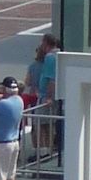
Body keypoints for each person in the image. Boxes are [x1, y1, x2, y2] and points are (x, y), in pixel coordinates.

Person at [28, 31, 61, 166]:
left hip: (45, 96)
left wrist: (48, 96)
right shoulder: (57, 55)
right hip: (49, 96)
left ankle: (42, 153)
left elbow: (51, 79)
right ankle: (47, 151)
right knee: (48, 124)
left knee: (40, 124)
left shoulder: (50, 57)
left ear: (46, 43)